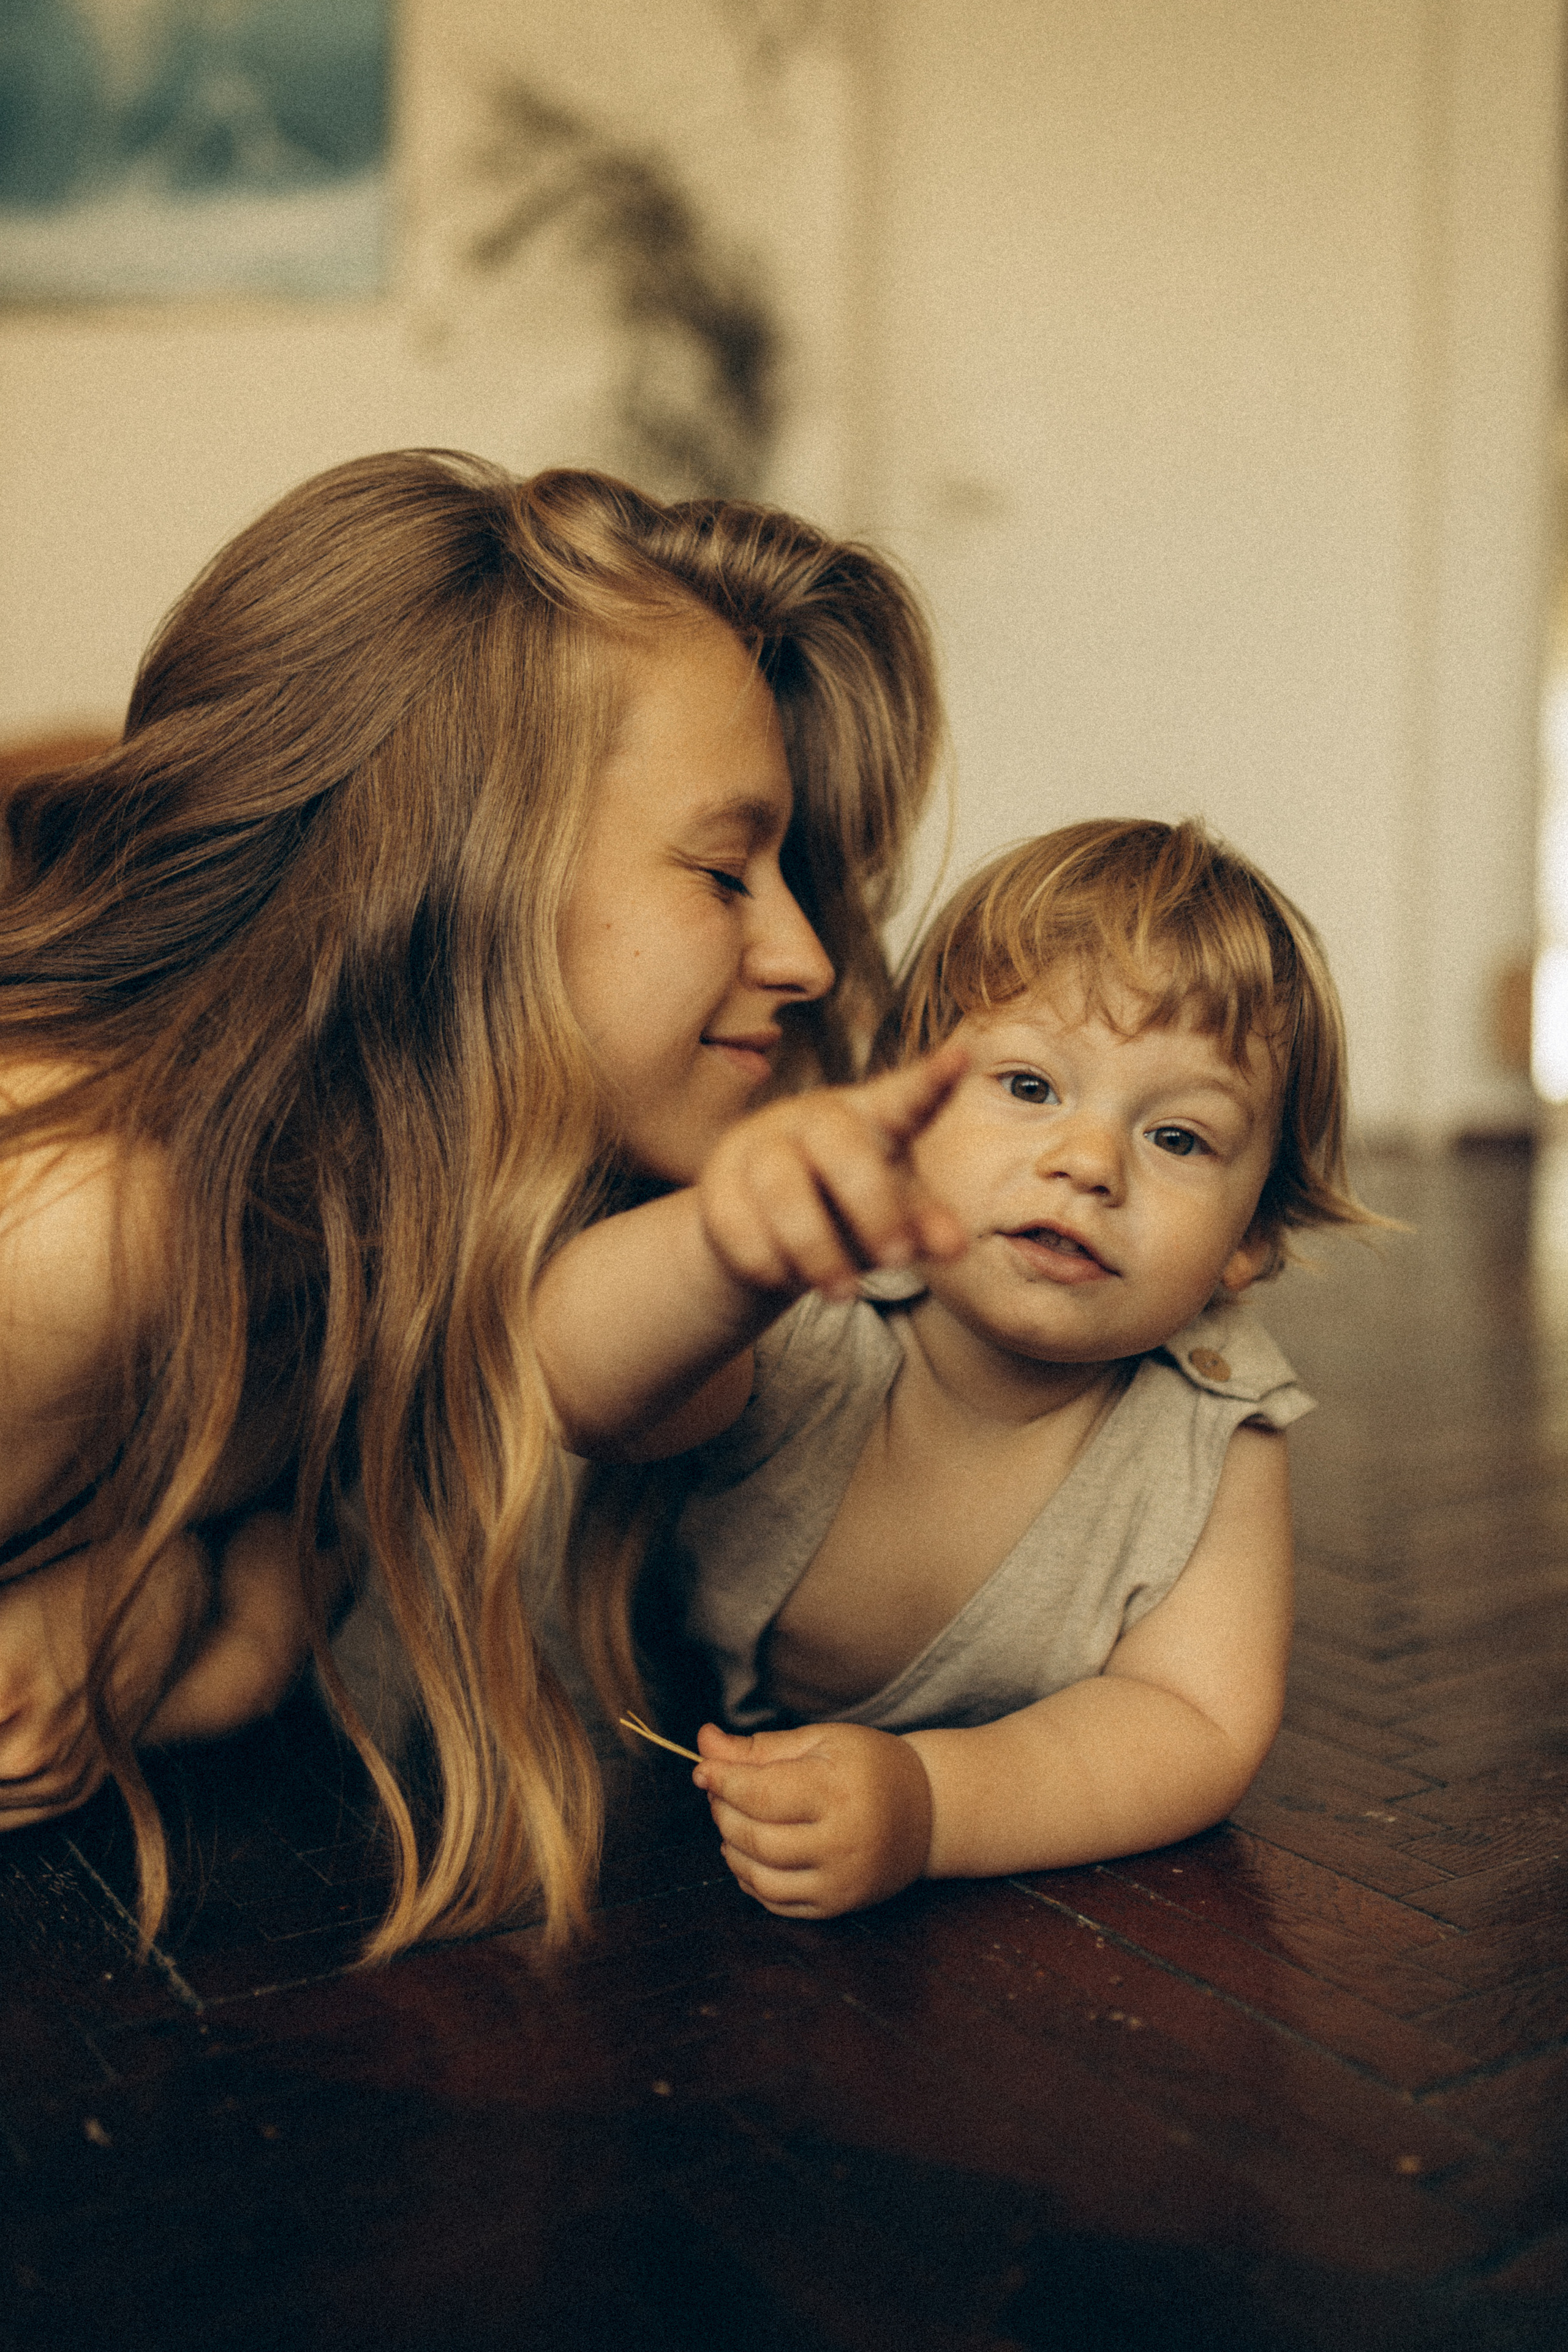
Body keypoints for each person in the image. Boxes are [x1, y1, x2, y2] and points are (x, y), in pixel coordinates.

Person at [0, 450, 940, 1954]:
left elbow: (280, 1579)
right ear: (459, 881)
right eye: (723, 870)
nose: (809, 959)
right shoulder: (70, 1234)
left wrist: (123, 1603)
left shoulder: (352, 1215)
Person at [537, 818, 1384, 1918]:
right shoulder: (819, 1295)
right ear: (905, 1108)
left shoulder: (1212, 1426)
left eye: (1178, 1138)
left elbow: (1192, 1722)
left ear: (1250, 1242)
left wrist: (935, 1803)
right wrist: (724, 1249)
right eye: (1030, 1086)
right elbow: (573, 1380)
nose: (1086, 1163)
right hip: (587, 1735)